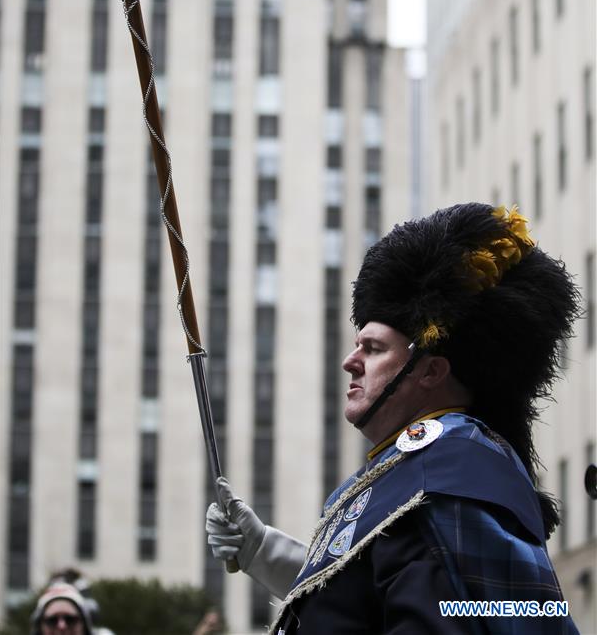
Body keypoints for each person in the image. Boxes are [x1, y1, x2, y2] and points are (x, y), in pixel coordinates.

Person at [206, 203, 582, 633]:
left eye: (374, 348)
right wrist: (262, 550)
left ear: (430, 371)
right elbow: (371, 602)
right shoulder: (419, 469)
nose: (351, 361)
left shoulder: (450, 470)